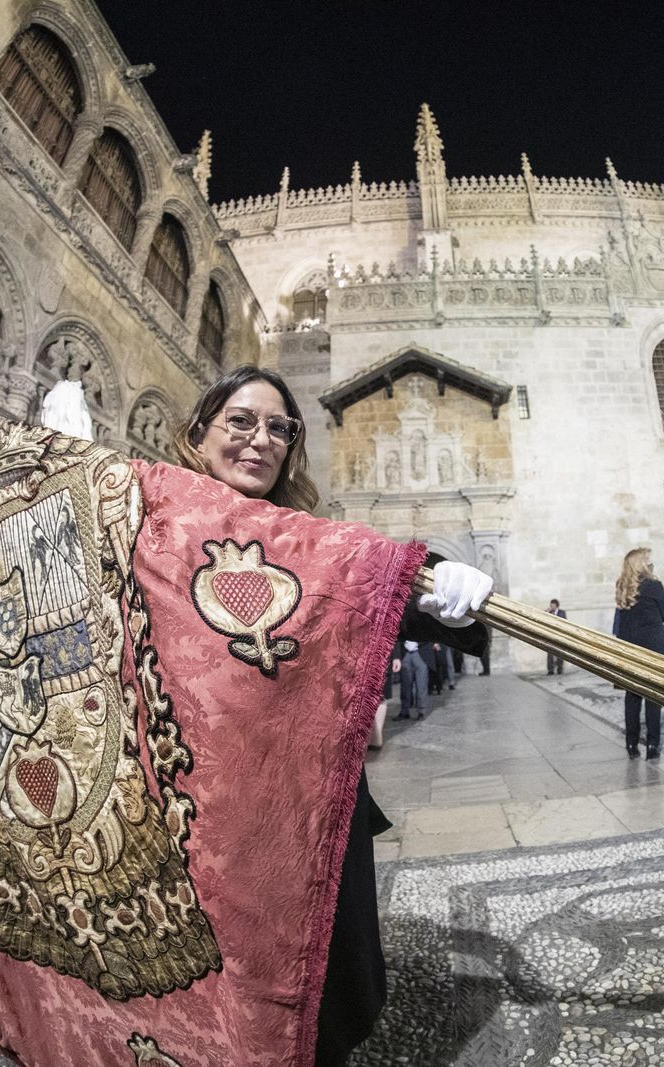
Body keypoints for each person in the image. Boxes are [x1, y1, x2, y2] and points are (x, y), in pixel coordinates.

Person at [171, 364, 492, 1063]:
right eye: (240, 421)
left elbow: (367, 593)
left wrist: (447, 598)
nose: (261, 440)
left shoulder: (306, 540)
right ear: (199, 434)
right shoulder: (158, 529)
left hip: (309, 814)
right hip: (195, 811)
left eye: (279, 428)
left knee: (317, 1006)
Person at [612, 547, 664, 760]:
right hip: (653, 646)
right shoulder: (654, 585)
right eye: (647, 559)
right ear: (641, 564)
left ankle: (631, 743)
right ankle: (652, 745)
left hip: (629, 648)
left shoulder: (622, 586)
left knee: (632, 696)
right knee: (654, 696)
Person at [545, 598, 567, 674]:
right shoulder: (548, 613)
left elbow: (564, 623)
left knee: (560, 654)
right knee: (550, 654)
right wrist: (546, 613)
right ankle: (550, 670)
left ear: (556, 606)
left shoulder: (562, 612)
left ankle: (560, 669)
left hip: (559, 636)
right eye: (550, 605)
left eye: (553, 606)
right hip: (550, 636)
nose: (551, 607)